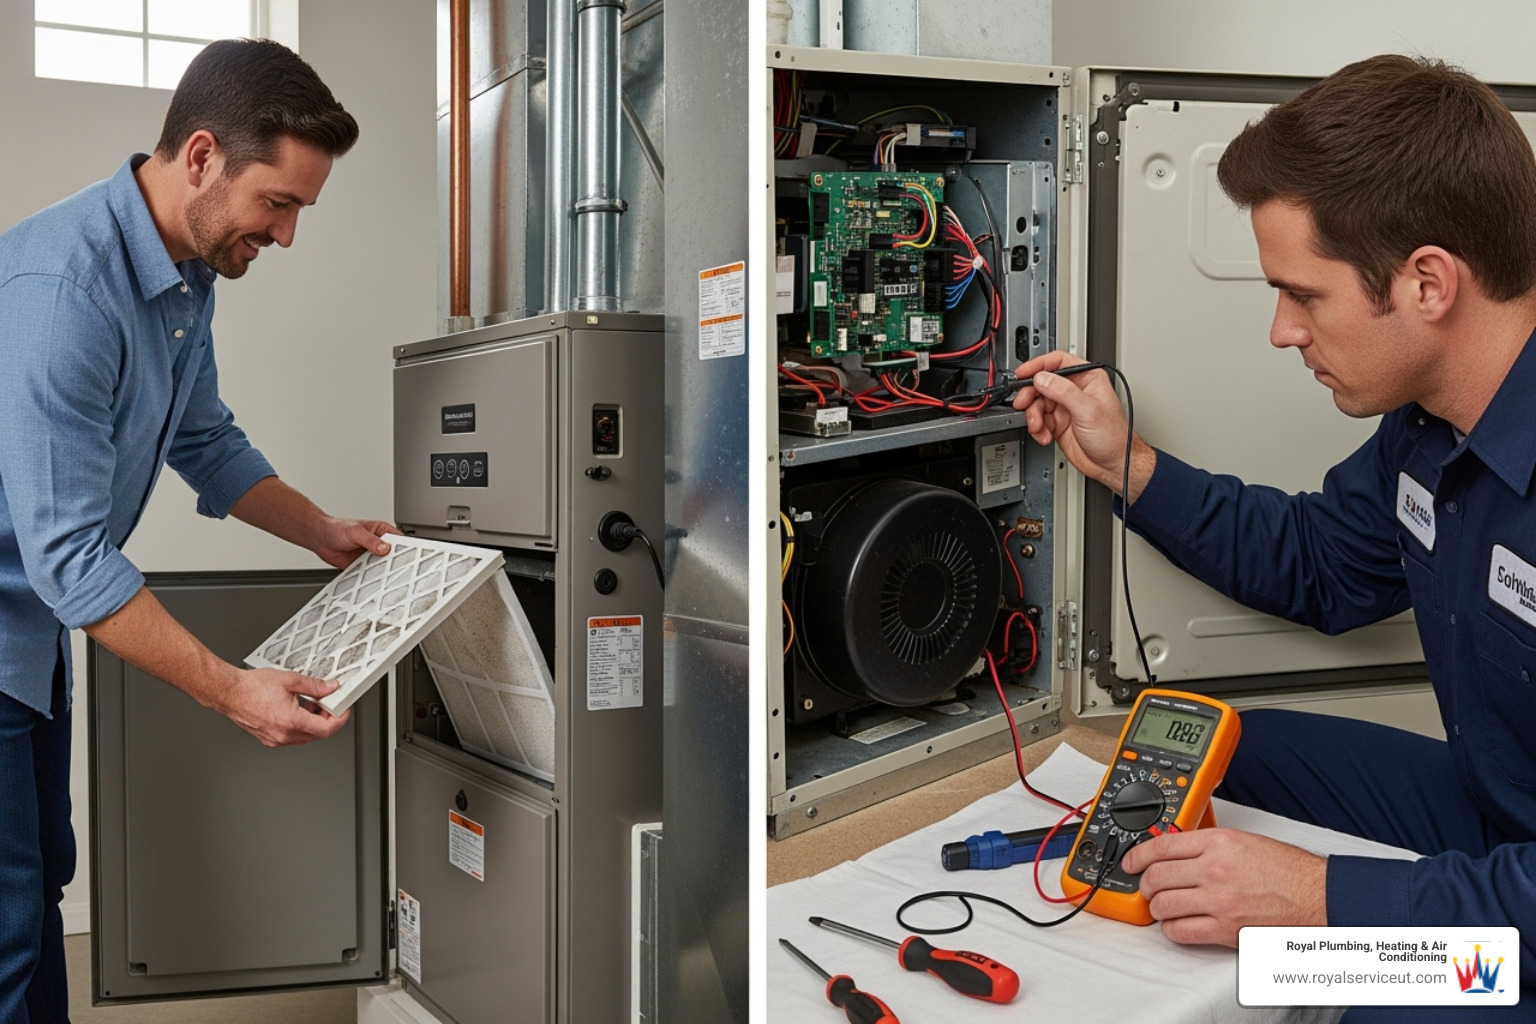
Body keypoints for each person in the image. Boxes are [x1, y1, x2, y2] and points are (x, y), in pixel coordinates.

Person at [1012, 55, 1535, 1020]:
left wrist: (1318, 901)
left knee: (1360, 989)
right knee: (1220, 753)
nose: (1281, 331)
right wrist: (1129, 465)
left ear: (1428, 283)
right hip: (1495, 817)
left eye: (1305, 294)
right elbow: (1324, 565)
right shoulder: (1428, 429)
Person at [0, 39, 395, 1022]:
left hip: (29, 635)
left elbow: (206, 439)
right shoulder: (64, 294)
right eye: (281, 203)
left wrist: (322, 530)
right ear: (204, 157)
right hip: (15, 618)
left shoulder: (189, 273)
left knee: (41, 882)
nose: (289, 234)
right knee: (5, 920)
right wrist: (235, 695)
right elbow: (73, 561)